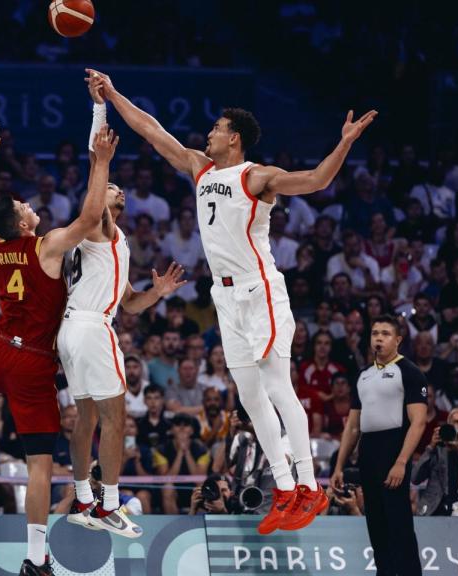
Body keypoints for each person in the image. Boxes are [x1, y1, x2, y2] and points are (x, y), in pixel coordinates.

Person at [89, 68, 377, 533]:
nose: (209, 134)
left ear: (235, 139)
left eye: (218, 129)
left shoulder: (257, 176)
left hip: (258, 288)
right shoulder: (201, 168)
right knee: (249, 396)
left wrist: (343, 142)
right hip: (223, 296)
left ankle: (310, 484)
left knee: (278, 385)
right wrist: (114, 93)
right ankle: (284, 489)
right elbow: (152, 130)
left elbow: (316, 181)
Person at [0, 122, 116, 576]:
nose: (30, 206)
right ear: (23, 223)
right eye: (24, 206)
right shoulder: (46, 247)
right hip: (32, 359)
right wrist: (102, 164)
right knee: (39, 464)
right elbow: (90, 220)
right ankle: (35, 557)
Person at [61, 84, 187, 539]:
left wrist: (160, 292)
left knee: (88, 418)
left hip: (77, 327)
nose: (121, 192)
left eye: (121, 190)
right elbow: (94, 173)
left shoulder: (114, 242)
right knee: (118, 419)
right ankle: (109, 506)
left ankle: (81, 499)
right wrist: (99, 124)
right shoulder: (98, 222)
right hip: (91, 328)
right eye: (114, 188)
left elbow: (129, 303)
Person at [332, 315, 428, 576]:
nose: (378, 338)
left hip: (394, 446)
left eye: (385, 334)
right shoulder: (363, 375)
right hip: (368, 450)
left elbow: (418, 422)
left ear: (397, 340)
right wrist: (339, 465)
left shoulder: (409, 372)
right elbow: (352, 426)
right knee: (375, 522)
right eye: (375, 333)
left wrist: (401, 461)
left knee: (399, 522)